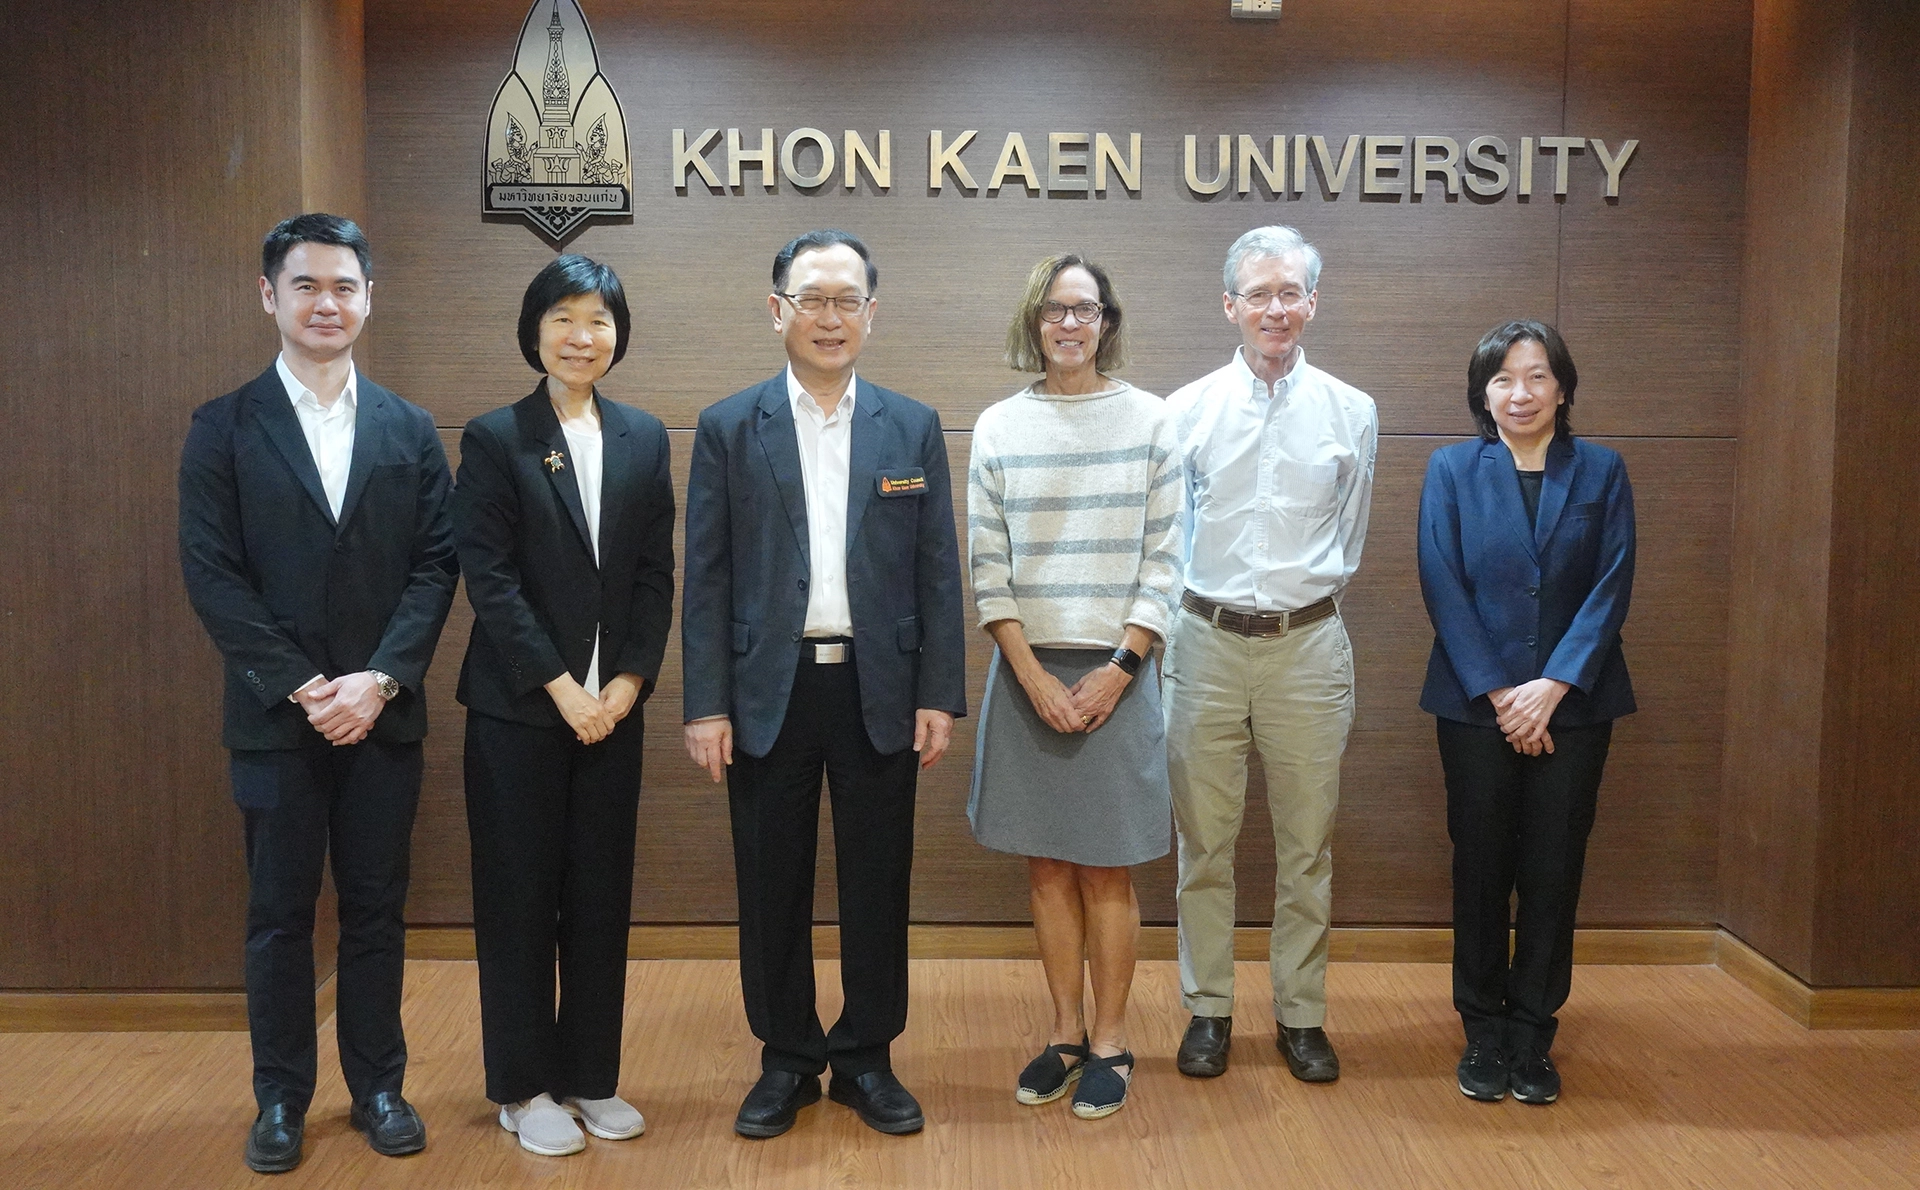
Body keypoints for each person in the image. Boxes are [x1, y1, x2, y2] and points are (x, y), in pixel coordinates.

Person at [178, 213, 458, 1174]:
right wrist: (305, 688)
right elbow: (212, 575)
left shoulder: (410, 428)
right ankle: (280, 1098)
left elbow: (436, 567)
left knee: (378, 910)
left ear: (369, 298)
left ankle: (379, 1086)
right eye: (306, 285)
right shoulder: (222, 426)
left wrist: (377, 681)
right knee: (278, 917)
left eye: (344, 286)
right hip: (275, 722)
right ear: (270, 296)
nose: (326, 303)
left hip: (383, 716)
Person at [681, 229, 968, 1138]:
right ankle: (788, 1059)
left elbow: (936, 568)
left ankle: (867, 1058)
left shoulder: (910, 424)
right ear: (778, 310)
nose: (830, 317)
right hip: (768, 691)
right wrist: (706, 703)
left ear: (871, 314)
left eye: (848, 300)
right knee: (771, 883)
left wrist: (938, 691)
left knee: (878, 881)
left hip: (879, 688)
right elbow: (707, 575)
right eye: (813, 299)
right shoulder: (730, 426)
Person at [451, 255, 675, 1154]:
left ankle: (589, 1075)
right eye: (564, 319)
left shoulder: (644, 437)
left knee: (598, 898)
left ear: (618, 334)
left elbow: (655, 573)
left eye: (599, 321)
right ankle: (522, 1087)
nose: (583, 337)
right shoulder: (496, 437)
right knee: (517, 900)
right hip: (520, 710)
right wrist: (562, 687)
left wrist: (627, 683)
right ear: (534, 330)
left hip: (613, 713)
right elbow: (490, 579)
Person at [966, 254, 1180, 1120]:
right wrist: (1029, 675)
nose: (1068, 323)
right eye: (1054, 309)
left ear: (1106, 322)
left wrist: (1121, 669)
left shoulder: (1153, 421)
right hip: (1028, 672)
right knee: (1048, 865)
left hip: (1119, 674)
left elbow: (1167, 560)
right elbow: (988, 567)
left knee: (1107, 869)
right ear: (1034, 321)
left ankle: (1112, 1041)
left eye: (1084, 309)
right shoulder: (998, 426)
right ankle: (1063, 1034)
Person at [1164, 225, 1377, 1084]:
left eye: (1291, 292)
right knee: (1203, 844)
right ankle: (1208, 1009)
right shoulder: (1185, 411)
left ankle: (1301, 1015)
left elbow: (1350, 537)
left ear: (1313, 302)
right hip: (1203, 643)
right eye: (1259, 294)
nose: (1276, 309)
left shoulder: (1352, 411)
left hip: (1307, 646)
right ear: (1231, 306)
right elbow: (1169, 539)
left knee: (1306, 846)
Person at [1416, 320, 1635, 1106]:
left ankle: (1534, 1033)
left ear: (1563, 388)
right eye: (1503, 378)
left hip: (1574, 709)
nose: (1521, 392)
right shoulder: (1451, 469)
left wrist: (1554, 685)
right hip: (1477, 707)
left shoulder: (1601, 470)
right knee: (1480, 867)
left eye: (1537, 376)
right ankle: (1482, 1030)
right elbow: (1441, 580)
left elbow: (1612, 583)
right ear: (1483, 393)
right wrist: (1502, 691)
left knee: (1553, 868)